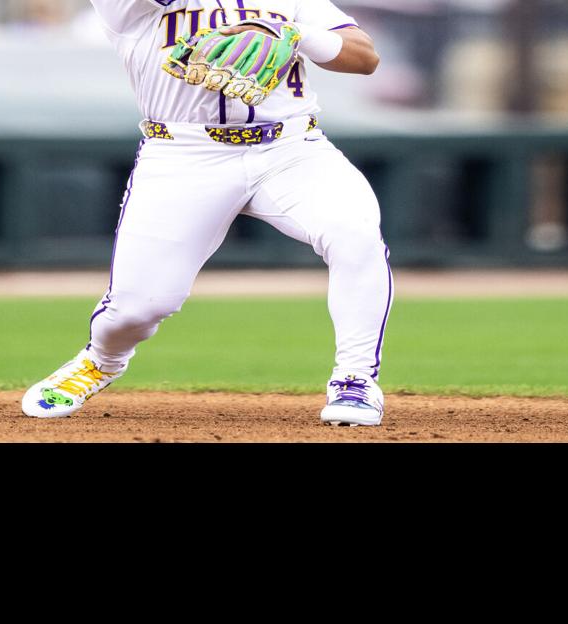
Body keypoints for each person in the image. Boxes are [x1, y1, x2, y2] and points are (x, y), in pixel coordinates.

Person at [21, 0, 392, 427]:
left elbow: (364, 57)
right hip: (183, 154)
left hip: (290, 149)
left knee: (354, 232)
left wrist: (294, 34)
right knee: (138, 308)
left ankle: (356, 378)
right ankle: (102, 361)